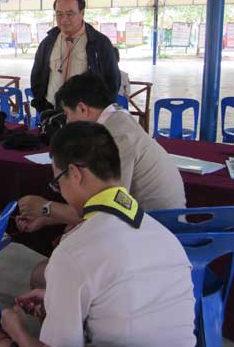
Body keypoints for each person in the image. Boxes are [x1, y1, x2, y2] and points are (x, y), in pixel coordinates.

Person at [0, 122, 196, 347]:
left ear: (75, 174)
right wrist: (57, 298)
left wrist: (18, 331)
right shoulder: (165, 237)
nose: (60, 192)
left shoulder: (74, 252)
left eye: (57, 182)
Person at [19, 72, 185, 288]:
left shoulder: (118, 137)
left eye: (67, 115)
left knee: (45, 274)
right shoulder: (117, 121)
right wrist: (47, 218)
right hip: (148, 230)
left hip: (153, 241)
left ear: (82, 108)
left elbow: (107, 212)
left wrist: (46, 209)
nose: (67, 123)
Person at [30, 0, 120, 113]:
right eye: (59, 14)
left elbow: (112, 83)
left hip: (84, 114)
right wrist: (41, 106)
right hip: (51, 109)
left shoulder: (100, 43)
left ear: (82, 13)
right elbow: (37, 76)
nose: (64, 19)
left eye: (70, 14)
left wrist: (97, 113)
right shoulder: (48, 42)